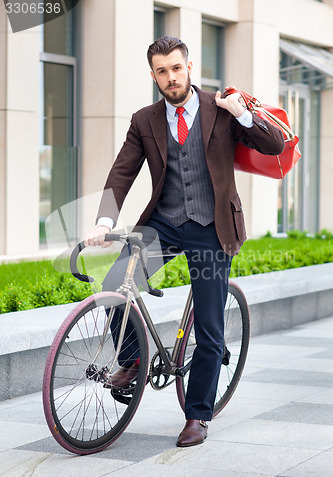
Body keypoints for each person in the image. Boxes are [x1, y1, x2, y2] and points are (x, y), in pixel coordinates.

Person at [85, 36, 284, 447]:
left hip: (212, 229)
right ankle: (133, 358)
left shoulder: (222, 108)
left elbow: (274, 145)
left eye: (176, 68)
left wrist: (243, 115)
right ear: (154, 75)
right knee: (111, 288)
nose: (170, 77)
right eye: (162, 71)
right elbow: (122, 172)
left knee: (209, 327)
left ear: (189, 67)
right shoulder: (145, 120)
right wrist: (105, 221)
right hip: (164, 224)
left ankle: (198, 415)